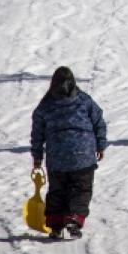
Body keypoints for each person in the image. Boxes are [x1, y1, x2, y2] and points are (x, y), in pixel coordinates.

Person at [31, 67, 107, 240]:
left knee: (57, 190)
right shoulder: (84, 100)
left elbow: (37, 133)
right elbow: (98, 122)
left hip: (57, 158)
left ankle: (56, 225)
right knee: (81, 189)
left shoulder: (45, 106)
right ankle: (74, 218)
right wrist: (100, 145)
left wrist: (37, 157)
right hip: (83, 155)